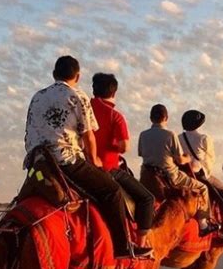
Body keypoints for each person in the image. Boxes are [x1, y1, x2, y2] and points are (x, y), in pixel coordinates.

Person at [24, 55, 148, 258]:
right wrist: (95, 161)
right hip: (66, 161)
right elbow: (89, 136)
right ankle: (122, 247)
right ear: (78, 76)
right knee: (112, 191)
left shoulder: (37, 96)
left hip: (37, 164)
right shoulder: (78, 96)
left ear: (54, 74)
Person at [90, 72, 154, 254]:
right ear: (114, 92)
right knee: (147, 198)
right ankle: (140, 246)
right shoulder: (114, 116)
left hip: (82, 167)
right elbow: (124, 146)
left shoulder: (83, 109)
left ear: (94, 91)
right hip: (108, 169)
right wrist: (111, 144)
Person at [138, 104, 219, 237]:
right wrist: (187, 158)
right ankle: (203, 224)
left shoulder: (143, 134)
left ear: (150, 118)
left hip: (146, 176)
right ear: (166, 117)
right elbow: (180, 160)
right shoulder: (170, 134)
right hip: (169, 176)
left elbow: (142, 153)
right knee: (203, 188)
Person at [178, 109, 223, 235]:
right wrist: (207, 172)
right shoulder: (204, 138)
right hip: (199, 174)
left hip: (182, 174)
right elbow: (210, 159)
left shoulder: (178, 138)